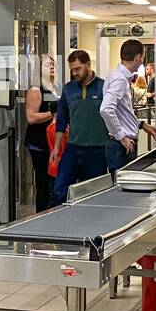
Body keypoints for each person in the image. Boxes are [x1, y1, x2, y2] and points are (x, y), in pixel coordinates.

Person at [50, 49, 106, 205]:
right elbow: (62, 120)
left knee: (93, 194)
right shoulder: (68, 89)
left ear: (87, 65)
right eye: (72, 69)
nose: (75, 73)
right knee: (59, 191)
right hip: (73, 148)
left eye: (78, 69)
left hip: (97, 149)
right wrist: (56, 148)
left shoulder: (103, 87)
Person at [100, 39, 156, 176]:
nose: (142, 62)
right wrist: (121, 137)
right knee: (122, 191)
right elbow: (106, 109)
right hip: (121, 146)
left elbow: (122, 112)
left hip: (121, 144)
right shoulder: (120, 79)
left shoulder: (117, 75)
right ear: (137, 57)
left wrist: (141, 124)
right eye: (142, 57)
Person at [23, 56, 59, 215]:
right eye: (46, 65)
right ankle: (42, 214)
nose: (51, 67)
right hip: (39, 143)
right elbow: (31, 117)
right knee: (43, 182)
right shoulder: (35, 90)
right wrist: (52, 113)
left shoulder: (55, 88)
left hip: (53, 141)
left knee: (52, 181)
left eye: (52, 64)